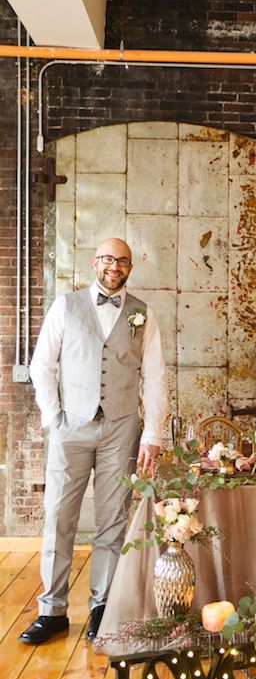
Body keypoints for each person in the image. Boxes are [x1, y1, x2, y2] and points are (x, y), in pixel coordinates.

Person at [19, 238, 168, 645]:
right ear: (95, 262)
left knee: (112, 521)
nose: (113, 266)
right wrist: (54, 420)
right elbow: (42, 365)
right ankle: (52, 611)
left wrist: (152, 435)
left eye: (122, 261)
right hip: (71, 427)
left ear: (130, 267)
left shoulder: (143, 314)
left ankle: (102, 606)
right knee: (59, 518)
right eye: (107, 259)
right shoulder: (66, 306)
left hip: (121, 429)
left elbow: (155, 378)